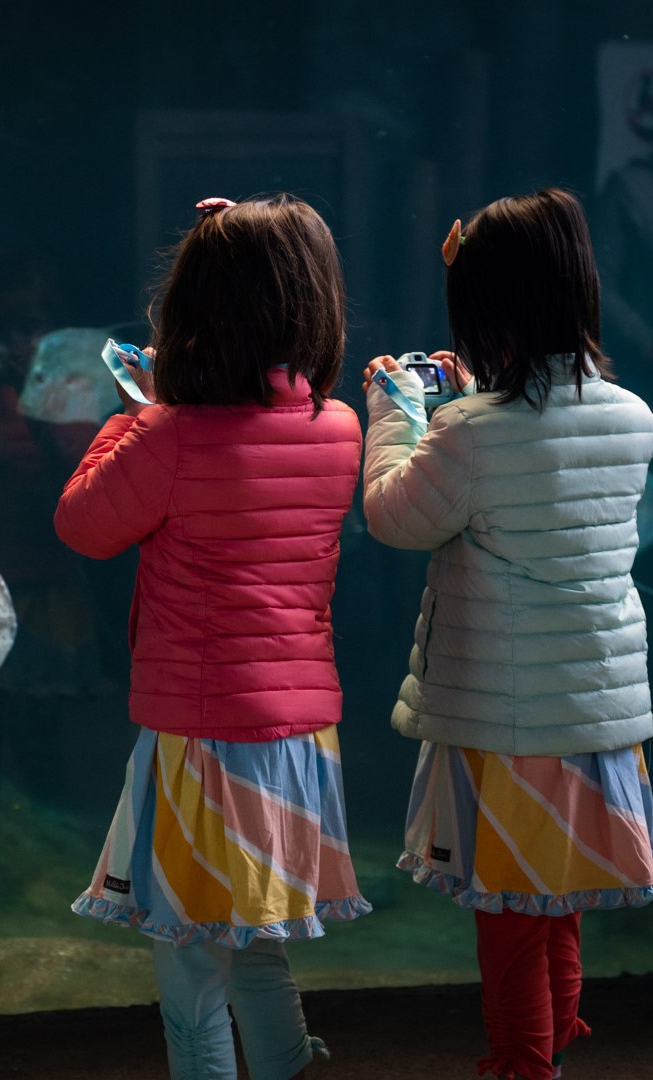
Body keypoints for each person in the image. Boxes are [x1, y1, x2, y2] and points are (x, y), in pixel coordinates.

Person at [54, 194, 370, 1080]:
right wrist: (253, 247)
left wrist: (134, 412)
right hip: (301, 735)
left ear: (193, 311)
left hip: (200, 736)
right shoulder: (338, 430)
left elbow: (82, 524)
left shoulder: (168, 435)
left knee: (192, 961)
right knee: (258, 941)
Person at [361, 188, 653, 1080]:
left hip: (508, 722)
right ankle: (560, 1033)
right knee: (552, 898)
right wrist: (462, 406)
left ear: (486, 307)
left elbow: (395, 515)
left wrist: (395, 413)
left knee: (512, 917)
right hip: (597, 710)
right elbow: (537, 466)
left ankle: (526, 1065)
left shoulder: (468, 431)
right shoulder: (631, 415)